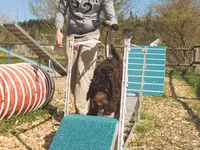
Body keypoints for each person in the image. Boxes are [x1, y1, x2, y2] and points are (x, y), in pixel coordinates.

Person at [55, 0, 119, 115]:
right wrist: (58, 30)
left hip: (91, 35)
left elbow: (110, 14)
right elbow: (60, 11)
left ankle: (82, 114)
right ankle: (83, 106)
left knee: (83, 74)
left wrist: (112, 23)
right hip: (71, 35)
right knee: (72, 76)